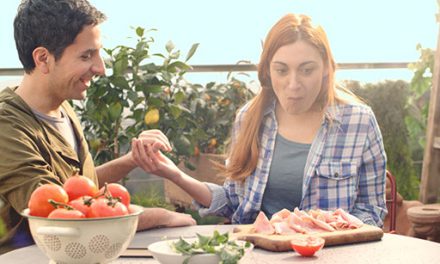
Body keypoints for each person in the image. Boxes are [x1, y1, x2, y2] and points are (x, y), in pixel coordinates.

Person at [133, 13, 387, 227]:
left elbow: (372, 211)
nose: (293, 84)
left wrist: (330, 232)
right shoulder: (249, 118)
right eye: (281, 70)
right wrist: (175, 174)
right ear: (266, 70)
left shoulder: (359, 122)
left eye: (307, 70)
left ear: (326, 70)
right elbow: (233, 202)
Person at [0, 0, 195, 253]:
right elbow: (58, 213)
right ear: (43, 58)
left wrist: (130, 160)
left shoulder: (62, 108)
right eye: (86, 55)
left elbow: (77, 190)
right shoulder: (7, 125)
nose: (100, 68)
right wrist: (159, 216)